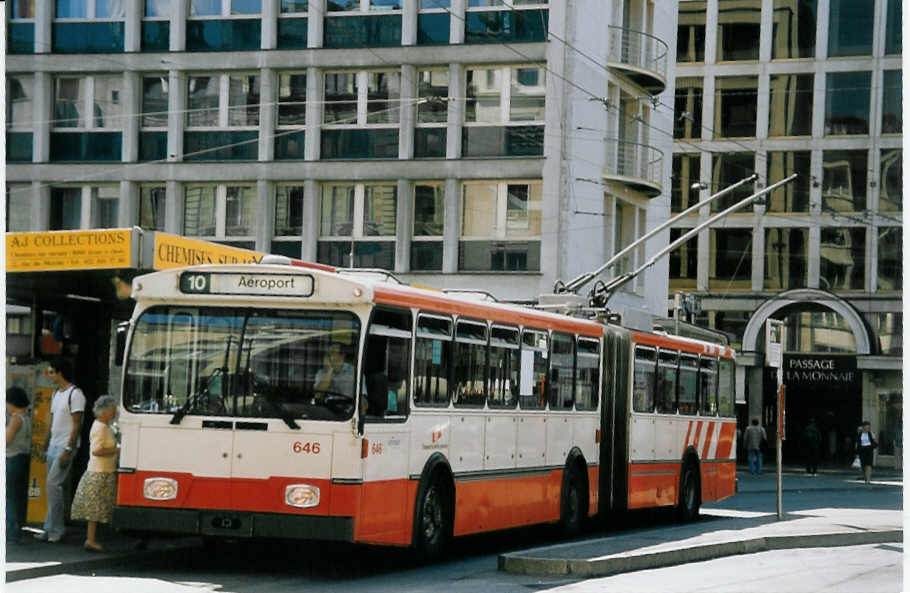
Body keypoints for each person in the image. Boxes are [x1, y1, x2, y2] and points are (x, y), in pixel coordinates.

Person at [35, 358, 86, 543]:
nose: (49, 374)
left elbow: (77, 424)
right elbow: (52, 421)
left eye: (51, 371)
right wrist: (45, 443)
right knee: (53, 488)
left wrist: (68, 448)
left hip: (65, 445)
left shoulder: (75, 394)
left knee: (53, 485)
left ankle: (55, 528)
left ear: (59, 373)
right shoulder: (57, 393)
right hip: (54, 445)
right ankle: (51, 527)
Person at [70, 395, 119, 552]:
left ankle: (92, 539)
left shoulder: (104, 426)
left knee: (98, 508)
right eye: (112, 410)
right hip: (99, 472)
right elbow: (97, 450)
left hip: (104, 471)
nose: (115, 412)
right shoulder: (101, 427)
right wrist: (117, 449)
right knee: (95, 509)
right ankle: (90, 540)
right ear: (104, 412)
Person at [6, 387, 32, 543]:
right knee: (18, 496)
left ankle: (11, 531)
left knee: (9, 497)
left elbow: (6, 442)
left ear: (12, 402)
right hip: (22, 458)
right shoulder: (26, 417)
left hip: (12, 458)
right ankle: (18, 528)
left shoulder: (16, 419)